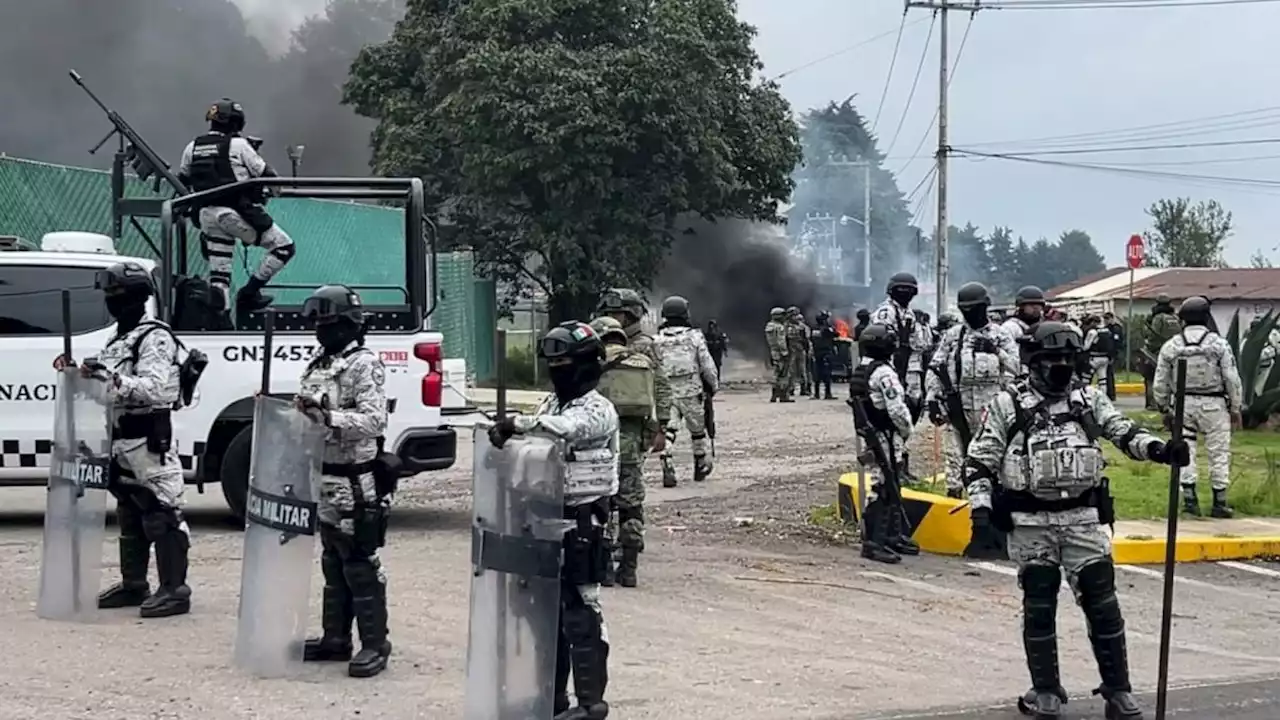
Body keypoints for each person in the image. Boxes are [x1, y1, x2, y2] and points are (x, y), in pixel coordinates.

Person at [964, 321, 1190, 720]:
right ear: (1033, 361)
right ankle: (1046, 690)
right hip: (1031, 524)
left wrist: (1159, 450)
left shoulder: (1088, 400)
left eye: (1069, 358)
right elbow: (979, 461)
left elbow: (1123, 432)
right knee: (1039, 602)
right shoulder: (1007, 404)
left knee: (1103, 603)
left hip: (1083, 520)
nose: (1062, 366)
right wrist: (981, 511)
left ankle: (1118, 690)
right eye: (1053, 359)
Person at [488, 321, 619, 720]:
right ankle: (551, 697)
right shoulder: (550, 403)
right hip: (542, 518)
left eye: (565, 362)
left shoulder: (598, 408)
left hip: (582, 523)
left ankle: (590, 704)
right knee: (543, 613)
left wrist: (518, 424)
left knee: (581, 611)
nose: (558, 370)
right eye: (553, 363)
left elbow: (566, 431)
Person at [53, 262, 192, 618]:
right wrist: (78, 375)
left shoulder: (154, 337)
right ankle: (134, 584)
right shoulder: (118, 339)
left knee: (162, 512)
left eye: (122, 297)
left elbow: (154, 388)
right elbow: (104, 389)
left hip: (149, 438)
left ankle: (175, 589)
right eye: (111, 297)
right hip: (117, 437)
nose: (115, 303)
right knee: (130, 511)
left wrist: (110, 379)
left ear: (140, 299)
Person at [295, 285, 394, 678]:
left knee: (359, 563)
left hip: (355, 480)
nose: (321, 330)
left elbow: (374, 420)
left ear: (349, 324)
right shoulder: (319, 364)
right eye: (317, 323)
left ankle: (375, 644)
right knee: (332, 561)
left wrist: (329, 419)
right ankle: (334, 638)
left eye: (328, 323)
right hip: (323, 476)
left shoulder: (363, 364)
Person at [178, 98, 295, 314]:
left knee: (219, 277)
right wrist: (279, 192)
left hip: (205, 216)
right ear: (236, 123)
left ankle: (219, 321)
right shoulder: (240, 145)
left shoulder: (192, 147)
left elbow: (182, 179)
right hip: (235, 213)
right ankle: (249, 294)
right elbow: (267, 175)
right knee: (284, 247)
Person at [925, 282, 1020, 500]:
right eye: (966, 309)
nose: (971, 313)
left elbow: (1016, 367)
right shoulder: (953, 336)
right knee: (955, 456)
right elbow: (936, 368)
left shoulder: (1000, 335)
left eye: (975, 308)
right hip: (958, 403)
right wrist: (932, 400)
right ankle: (954, 498)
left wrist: (995, 351)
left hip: (992, 407)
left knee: (993, 456)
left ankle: (993, 500)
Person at [1152, 296, 1243, 519]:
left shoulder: (1172, 345)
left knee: (1185, 451)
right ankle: (1219, 502)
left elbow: (1160, 381)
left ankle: (1190, 501)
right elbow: (1231, 378)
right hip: (1215, 404)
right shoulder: (1218, 344)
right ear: (1206, 317)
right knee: (1219, 453)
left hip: (1183, 405)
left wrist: (1164, 408)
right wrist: (1235, 407)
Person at [590, 315, 662, 588]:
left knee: (601, 506)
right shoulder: (642, 364)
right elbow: (651, 410)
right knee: (631, 509)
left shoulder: (594, 364)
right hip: (631, 449)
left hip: (600, 447)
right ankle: (629, 568)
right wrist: (649, 439)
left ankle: (605, 568)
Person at [848, 324, 917, 564]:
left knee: (891, 484)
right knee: (883, 488)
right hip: (885, 436)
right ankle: (874, 542)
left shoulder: (862, 369)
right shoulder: (884, 373)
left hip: (873, 434)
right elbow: (897, 409)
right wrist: (908, 430)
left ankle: (892, 535)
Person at [654, 296, 719, 487]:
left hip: (667, 391)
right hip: (692, 390)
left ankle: (667, 456)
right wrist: (713, 385)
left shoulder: (656, 340)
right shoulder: (694, 337)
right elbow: (706, 365)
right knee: (698, 430)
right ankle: (700, 464)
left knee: (670, 428)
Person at [596, 288, 671, 445]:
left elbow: (661, 385)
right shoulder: (599, 344)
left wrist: (662, 426)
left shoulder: (646, 345)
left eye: (616, 314)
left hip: (632, 424)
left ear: (632, 315)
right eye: (608, 314)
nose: (611, 318)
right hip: (600, 421)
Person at [873, 272, 926, 480]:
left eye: (909, 290)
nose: (905, 293)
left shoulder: (909, 314)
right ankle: (894, 467)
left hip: (909, 366)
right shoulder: (886, 312)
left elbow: (920, 344)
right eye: (901, 289)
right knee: (892, 415)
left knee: (911, 410)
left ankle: (902, 465)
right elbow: (881, 339)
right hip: (891, 365)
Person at [1142, 294, 1181, 411]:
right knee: (1170, 379)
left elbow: (1153, 337)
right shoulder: (1175, 318)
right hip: (1175, 351)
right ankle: (1170, 403)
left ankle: (1152, 404)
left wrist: (1148, 346)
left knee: (1151, 378)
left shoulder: (1158, 318)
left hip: (1157, 351)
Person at [765, 307, 792, 402]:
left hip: (773, 351)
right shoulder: (779, 327)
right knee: (784, 375)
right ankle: (783, 396)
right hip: (780, 353)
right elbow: (781, 341)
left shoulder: (769, 326)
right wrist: (785, 352)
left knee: (776, 373)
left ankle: (774, 395)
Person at [810, 311, 837, 399]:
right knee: (827, 373)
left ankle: (816, 394)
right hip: (826, 352)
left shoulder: (814, 328)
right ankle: (828, 394)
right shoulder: (826, 329)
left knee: (817, 373)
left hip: (817, 352)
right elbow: (836, 334)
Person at [786, 306, 811, 398]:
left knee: (802, 370)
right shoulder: (785, 326)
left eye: (796, 315)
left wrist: (808, 350)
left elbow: (806, 340)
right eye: (793, 315)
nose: (795, 317)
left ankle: (804, 389)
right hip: (790, 351)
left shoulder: (802, 327)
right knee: (790, 371)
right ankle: (790, 389)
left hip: (800, 350)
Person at [1104, 312, 1125, 400]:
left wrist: (1113, 355)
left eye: (1107, 319)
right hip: (1107, 354)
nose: (1106, 321)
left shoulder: (1116, 328)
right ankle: (1109, 393)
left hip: (1113, 354)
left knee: (1109, 374)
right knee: (1107, 375)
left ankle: (1111, 394)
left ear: (1112, 318)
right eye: (1105, 319)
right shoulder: (1106, 328)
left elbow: (1117, 343)